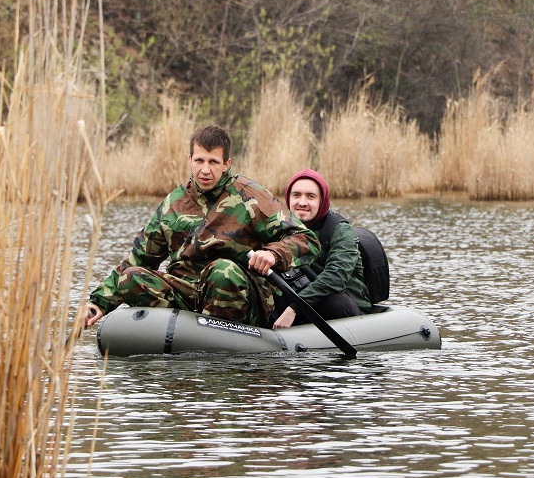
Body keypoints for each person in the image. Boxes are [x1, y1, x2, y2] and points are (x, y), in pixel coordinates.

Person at [84, 125, 319, 329]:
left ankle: (221, 342)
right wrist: (98, 302)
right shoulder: (172, 204)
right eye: (199, 161)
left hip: (237, 292)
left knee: (222, 271)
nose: (205, 170)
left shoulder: (252, 197)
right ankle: (181, 332)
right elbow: (138, 259)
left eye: (213, 162)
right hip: (186, 291)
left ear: (226, 164)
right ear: (190, 160)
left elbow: (305, 238)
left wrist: (272, 254)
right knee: (130, 278)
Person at [272, 169, 371, 329]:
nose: (302, 202)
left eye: (310, 196)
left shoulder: (339, 230)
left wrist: (295, 307)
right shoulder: (280, 228)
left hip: (340, 303)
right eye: (296, 195)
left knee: (337, 303)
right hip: (299, 296)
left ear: (321, 201)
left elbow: (336, 276)